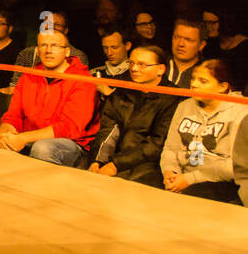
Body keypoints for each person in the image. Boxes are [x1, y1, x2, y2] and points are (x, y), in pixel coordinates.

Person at [0, 29, 98, 168]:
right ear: (37, 51)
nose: (48, 50)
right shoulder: (28, 76)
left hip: (68, 143)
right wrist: (5, 132)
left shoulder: (82, 80)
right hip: (25, 137)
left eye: (54, 46)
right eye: (43, 45)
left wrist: (23, 138)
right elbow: (14, 114)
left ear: (67, 52)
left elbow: (69, 128)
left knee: (42, 148)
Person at [86, 45, 178, 187]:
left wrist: (116, 165)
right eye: (132, 63)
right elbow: (108, 128)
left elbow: (156, 144)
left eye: (142, 65)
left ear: (160, 69)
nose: (134, 69)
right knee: (82, 174)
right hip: (113, 158)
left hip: (148, 164)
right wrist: (98, 160)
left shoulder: (173, 98)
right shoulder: (123, 89)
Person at [161, 59, 246, 204]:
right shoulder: (185, 106)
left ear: (222, 87)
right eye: (193, 79)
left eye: (203, 81)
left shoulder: (241, 112)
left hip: (218, 181)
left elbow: (234, 165)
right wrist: (170, 172)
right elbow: (171, 147)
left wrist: (190, 179)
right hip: (181, 175)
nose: (194, 84)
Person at [167, 18, 207, 89]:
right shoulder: (157, 63)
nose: (181, 44)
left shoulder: (207, 73)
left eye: (188, 40)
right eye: (177, 37)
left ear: (201, 45)